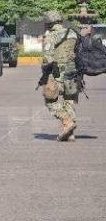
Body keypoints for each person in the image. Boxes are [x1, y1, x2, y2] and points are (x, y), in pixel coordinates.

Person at [40, 10, 80, 142]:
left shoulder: (52, 36)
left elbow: (47, 59)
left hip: (58, 73)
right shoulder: (73, 33)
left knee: (50, 100)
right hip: (74, 72)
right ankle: (69, 133)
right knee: (69, 100)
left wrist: (45, 72)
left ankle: (67, 122)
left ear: (48, 23)